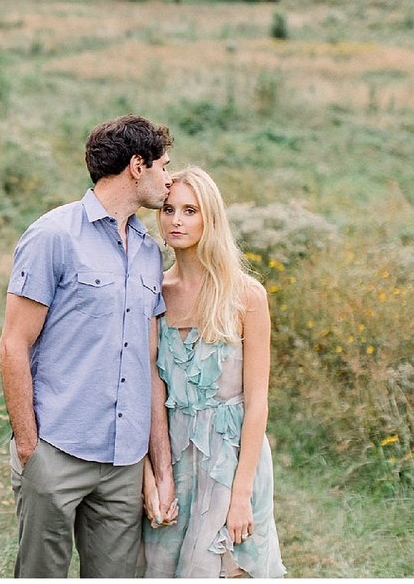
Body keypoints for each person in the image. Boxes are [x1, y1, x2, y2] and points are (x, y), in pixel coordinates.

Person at [0, 114, 177, 578]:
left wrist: (156, 467)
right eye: (163, 165)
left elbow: (148, 364)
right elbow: (13, 345)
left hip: (123, 464)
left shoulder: (149, 252)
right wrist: (28, 447)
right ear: (137, 166)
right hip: (57, 449)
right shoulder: (53, 235)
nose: (169, 178)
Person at [141, 167, 286, 577]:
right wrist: (152, 477)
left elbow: (257, 404)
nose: (176, 221)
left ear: (210, 218)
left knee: (225, 568)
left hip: (231, 461)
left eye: (190, 210)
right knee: (163, 568)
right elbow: (148, 389)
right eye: (169, 209)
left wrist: (241, 495)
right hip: (174, 455)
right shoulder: (154, 291)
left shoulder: (246, 296)